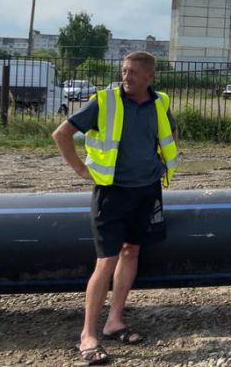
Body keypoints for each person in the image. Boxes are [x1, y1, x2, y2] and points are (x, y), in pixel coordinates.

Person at [52, 51, 178, 366]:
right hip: (112, 193)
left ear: (149, 76)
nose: (126, 77)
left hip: (146, 191)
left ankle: (115, 321)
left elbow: (171, 133)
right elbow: (62, 134)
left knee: (131, 252)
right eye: (124, 71)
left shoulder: (160, 102)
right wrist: (81, 170)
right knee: (106, 261)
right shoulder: (104, 101)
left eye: (133, 72)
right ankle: (88, 335)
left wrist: (161, 163)